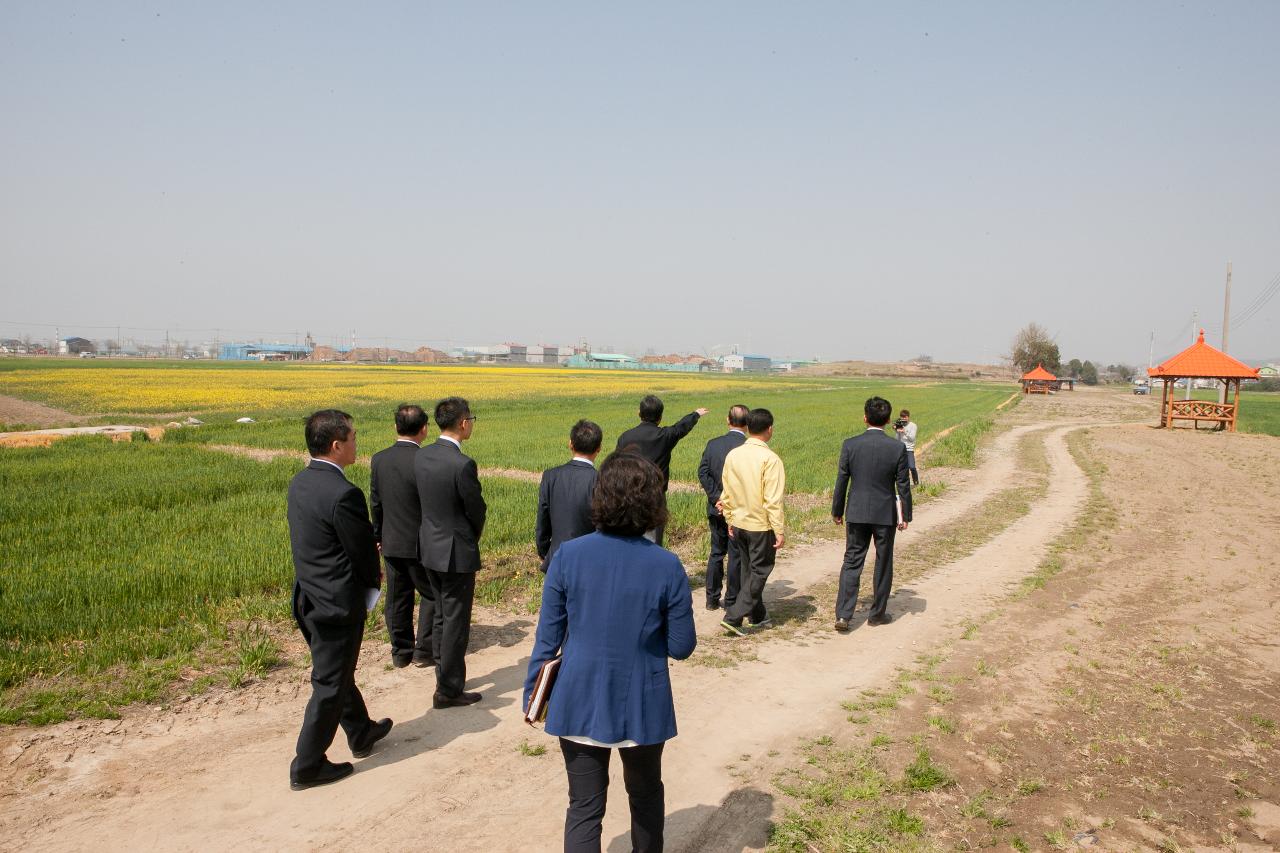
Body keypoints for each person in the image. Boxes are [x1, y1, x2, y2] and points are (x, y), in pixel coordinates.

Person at [524, 452, 697, 853]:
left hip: (578, 695)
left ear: (599, 497)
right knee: (646, 796)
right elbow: (681, 646)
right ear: (653, 503)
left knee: (584, 806)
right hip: (642, 697)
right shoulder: (667, 565)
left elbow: (547, 638)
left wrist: (533, 695)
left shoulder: (567, 556)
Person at [286, 409, 392, 790]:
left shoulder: (300, 482)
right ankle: (308, 765)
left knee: (337, 671)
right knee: (329, 684)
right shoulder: (344, 493)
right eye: (353, 437)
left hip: (308, 596)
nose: (355, 444)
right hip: (335, 604)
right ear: (336, 445)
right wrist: (368, 592)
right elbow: (362, 553)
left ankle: (360, 731)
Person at [415, 397, 487, 708]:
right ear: (462, 423)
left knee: (442, 615)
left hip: (429, 546)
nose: (471, 422)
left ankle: (443, 676)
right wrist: (472, 536)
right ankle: (449, 689)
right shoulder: (462, 464)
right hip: (456, 551)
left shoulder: (422, 456)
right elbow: (476, 510)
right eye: (471, 418)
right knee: (457, 620)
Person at [831, 396, 913, 632]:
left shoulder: (850, 444)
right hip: (884, 514)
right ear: (888, 420)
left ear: (865, 417)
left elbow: (842, 481)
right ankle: (877, 614)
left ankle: (844, 616)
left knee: (852, 561)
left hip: (856, 511)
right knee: (883, 562)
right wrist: (904, 515)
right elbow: (903, 485)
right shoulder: (897, 448)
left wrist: (837, 510)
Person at [370, 403, 436, 668]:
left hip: (391, 540)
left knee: (397, 597)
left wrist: (378, 534)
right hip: (422, 543)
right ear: (424, 429)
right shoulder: (426, 460)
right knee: (431, 594)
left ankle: (400, 653)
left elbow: (376, 501)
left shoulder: (379, 459)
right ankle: (424, 651)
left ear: (395, 427)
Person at [717, 408, 786, 637]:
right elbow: (772, 500)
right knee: (760, 570)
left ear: (748, 427)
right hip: (760, 525)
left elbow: (727, 490)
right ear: (770, 429)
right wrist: (779, 530)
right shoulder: (771, 459)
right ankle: (734, 616)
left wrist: (728, 518)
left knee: (748, 570)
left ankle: (757, 615)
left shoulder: (734, 455)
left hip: (738, 522)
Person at [614, 395, 709, 546]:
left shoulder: (625, 437)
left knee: (629, 540)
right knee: (654, 542)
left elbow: (616, 467)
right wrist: (695, 414)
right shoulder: (665, 436)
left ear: (639, 413)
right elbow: (680, 428)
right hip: (655, 497)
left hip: (629, 497)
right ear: (660, 417)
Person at [696, 404, 749, 611]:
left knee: (716, 552)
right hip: (738, 510)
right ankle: (731, 600)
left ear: (728, 420)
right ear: (747, 424)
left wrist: (716, 498)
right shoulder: (748, 449)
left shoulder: (713, 444)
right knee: (735, 555)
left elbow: (703, 473)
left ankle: (711, 599)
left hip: (716, 508)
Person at [536, 419, 603, 572]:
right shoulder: (601, 479)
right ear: (599, 448)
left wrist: (544, 551)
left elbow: (542, 518)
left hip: (556, 558)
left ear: (570, 444)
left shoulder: (550, 476)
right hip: (590, 561)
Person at [895, 409, 920, 486]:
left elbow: (912, 438)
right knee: (902, 468)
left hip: (909, 449)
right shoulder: (899, 424)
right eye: (902, 417)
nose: (904, 418)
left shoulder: (913, 425)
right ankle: (905, 484)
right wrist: (897, 431)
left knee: (912, 467)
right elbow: (897, 439)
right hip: (901, 449)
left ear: (908, 417)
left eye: (905, 417)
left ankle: (916, 482)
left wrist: (904, 431)